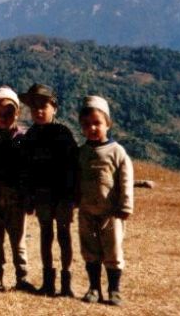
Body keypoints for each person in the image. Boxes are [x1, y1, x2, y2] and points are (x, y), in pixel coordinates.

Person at [20, 83, 79, 297]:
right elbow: (25, 170)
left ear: (54, 107)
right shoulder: (30, 137)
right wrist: (28, 197)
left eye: (43, 105)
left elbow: (73, 167)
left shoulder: (64, 134)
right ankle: (47, 281)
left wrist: (73, 196)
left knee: (64, 235)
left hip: (62, 195)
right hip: (42, 196)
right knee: (46, 235)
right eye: (34, 106)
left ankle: (66, 281)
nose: (38, 110)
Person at [77, 96, 134, 306]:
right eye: (86, 124)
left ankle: (114, 289)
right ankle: (93, 288)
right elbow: (76, 178)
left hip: (111, 213)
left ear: (108, 123)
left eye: (97, 123)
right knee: (90, 251)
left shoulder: (117, 152)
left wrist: (126, 205)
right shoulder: (81, 152)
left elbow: (126, 179)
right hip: (86, 211)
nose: (92, 128)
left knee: (113, 251)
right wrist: (75, 199)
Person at [0, 86, 35, 291]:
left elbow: (28, 171)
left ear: (17, 113)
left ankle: (22, 277)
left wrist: (28, 197)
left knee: (17, 239)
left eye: (9, 113)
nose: (4, 117)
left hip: (16, 199)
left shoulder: (23, 140)